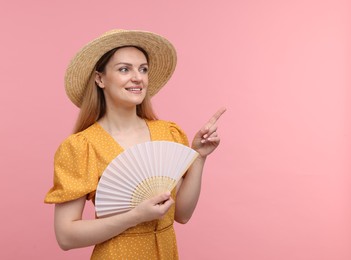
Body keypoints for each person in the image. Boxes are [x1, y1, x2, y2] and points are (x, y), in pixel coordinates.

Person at [44, 29, 225, 259]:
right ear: (100, 79)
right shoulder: (82, 147)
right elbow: (66, 236)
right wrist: (136, 216)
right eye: (124, 69)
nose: (138, 77)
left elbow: (182, 214)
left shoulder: (167, 133)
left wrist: (199, 156)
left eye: (143, 69)